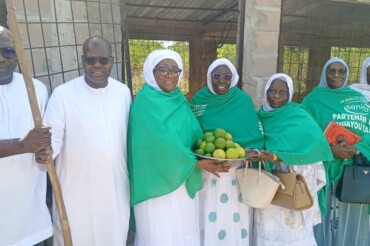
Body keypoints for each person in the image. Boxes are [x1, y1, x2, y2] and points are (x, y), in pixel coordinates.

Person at [128, 50, 228, 246]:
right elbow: (154, 148)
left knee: (183, 231)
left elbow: (192, 135)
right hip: (155, 186)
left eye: (175, 70)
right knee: (160, 234)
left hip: (182, 182)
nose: (171, 75)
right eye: (164, 69)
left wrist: (203, 157)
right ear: (151, 71)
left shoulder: (179, 100)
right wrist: (197, 165)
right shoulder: (145, 103)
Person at [42, 36, 131, 245]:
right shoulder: (63, 94)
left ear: (112, 60)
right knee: (76, 234)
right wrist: (45, 151)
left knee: (113, 235)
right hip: (76, 190)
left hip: (115, 187)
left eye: (103, 60)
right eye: (91, 60)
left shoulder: (123, 92)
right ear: (83, 60)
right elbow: (52, 137)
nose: (97, 66)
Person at [247, 73, 333, 246]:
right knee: (266, 233)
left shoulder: (298, 115)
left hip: (292, 189)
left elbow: (314, 147)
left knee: (295, 234)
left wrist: (277, 156)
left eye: (282, 92)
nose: (276, 96)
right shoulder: (260, 116)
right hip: (267, 188)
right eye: (272, 91)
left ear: (290, 94)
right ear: (266, 91)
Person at [191, 58, 264, 246]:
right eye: (216, 75)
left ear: (233, 78)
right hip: (206, 172)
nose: (221, 80)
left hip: (236, 174)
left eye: (227, 76)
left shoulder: (242, 101)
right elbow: (191, 132)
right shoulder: (199, 100)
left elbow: (254, 134)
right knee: (206, 215)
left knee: (234, 216)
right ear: (209, 77)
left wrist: (245, 151)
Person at [302, 57, 370, 246]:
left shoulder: (358, 99)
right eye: (332, 71)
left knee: (351, 221)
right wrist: (331, 150)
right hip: (322, 168)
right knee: (322, 220)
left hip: (354, 170)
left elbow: (368, 129)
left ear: (347, 74)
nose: (337, 75)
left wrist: (356, 148)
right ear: (325, 73)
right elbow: (306, 133)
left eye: (341, 71)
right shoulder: (313, 99)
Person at [0, 26, 53, 245]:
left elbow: (46, 139)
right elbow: (27, 143)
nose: (2, 58)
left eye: (8, 51)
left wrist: (44, 152)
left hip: (30, 216)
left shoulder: (36, 88)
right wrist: (22, 145)